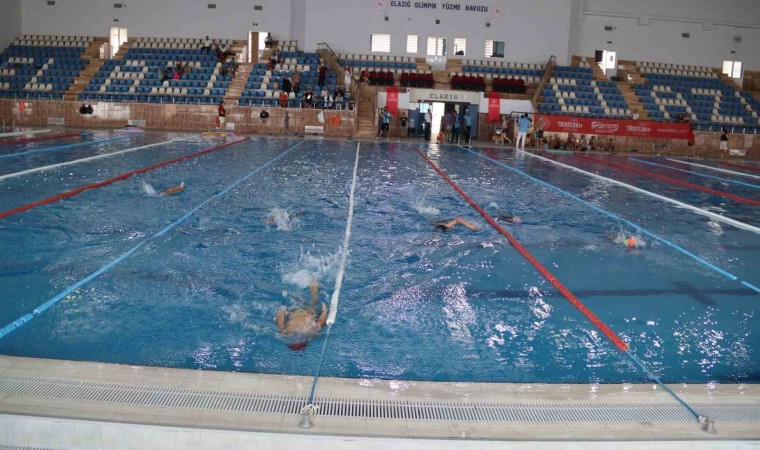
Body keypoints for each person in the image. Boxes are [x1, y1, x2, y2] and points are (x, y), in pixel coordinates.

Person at [276, 278, 328, 350]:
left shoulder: (311, 332)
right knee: (309, 301)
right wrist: (282, 310)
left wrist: (325, 310)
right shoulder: (286, 332)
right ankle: (310, 282)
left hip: (306, 311)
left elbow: (322, 322)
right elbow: (280, 319)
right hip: (295, 311)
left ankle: (312, 283)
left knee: (313, 302)